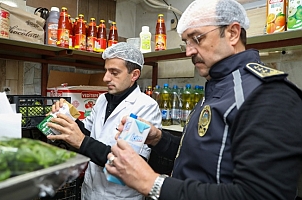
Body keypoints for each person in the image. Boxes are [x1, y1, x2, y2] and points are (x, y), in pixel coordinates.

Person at [105, 0, 302, 199]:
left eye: (196, 38)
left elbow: (260, 195)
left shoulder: (268, 94)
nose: (189, 51)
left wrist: (151, 183)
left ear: (232, 33)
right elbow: (204, 157)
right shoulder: (218, 86)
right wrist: (158, 138)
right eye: (186, 43)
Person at [46, 42, 162, 200]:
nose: (105, 78)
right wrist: (67, 117)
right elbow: (88, 132)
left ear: (134, 75)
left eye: (114, 72)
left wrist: (82, 142)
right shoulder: (103, 99)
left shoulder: (146, 107)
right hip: (90, 190)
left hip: (118, 195)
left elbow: (131, 163)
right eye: (106, 71)